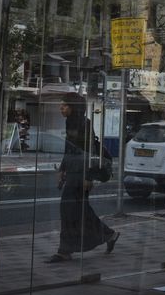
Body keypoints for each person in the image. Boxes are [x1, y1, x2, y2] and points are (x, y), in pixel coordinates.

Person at [47, 93, 119, 262]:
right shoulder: (70, 122)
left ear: (73, 107)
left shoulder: (84, 124)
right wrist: (62, 169)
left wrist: (89, 177)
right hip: (73, 172)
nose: (61, 108)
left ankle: (64, 251)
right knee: (79, 211)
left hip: (81, 174)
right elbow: (69, 148)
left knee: (70, 209)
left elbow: (90, 152)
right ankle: (109, 235)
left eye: (64, 105)